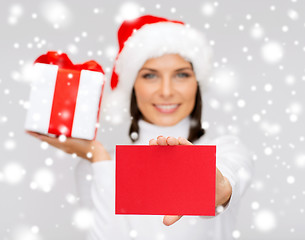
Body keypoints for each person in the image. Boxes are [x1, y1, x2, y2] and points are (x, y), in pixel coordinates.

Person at [26, 15, 253, 240]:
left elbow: (226, 177)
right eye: (150, 75)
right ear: (133, 85)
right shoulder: (100, 165)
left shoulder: (225, 149)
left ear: (197, 83)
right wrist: (98, 157)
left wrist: (220, 189)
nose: (166, 91)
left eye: (181, 74)